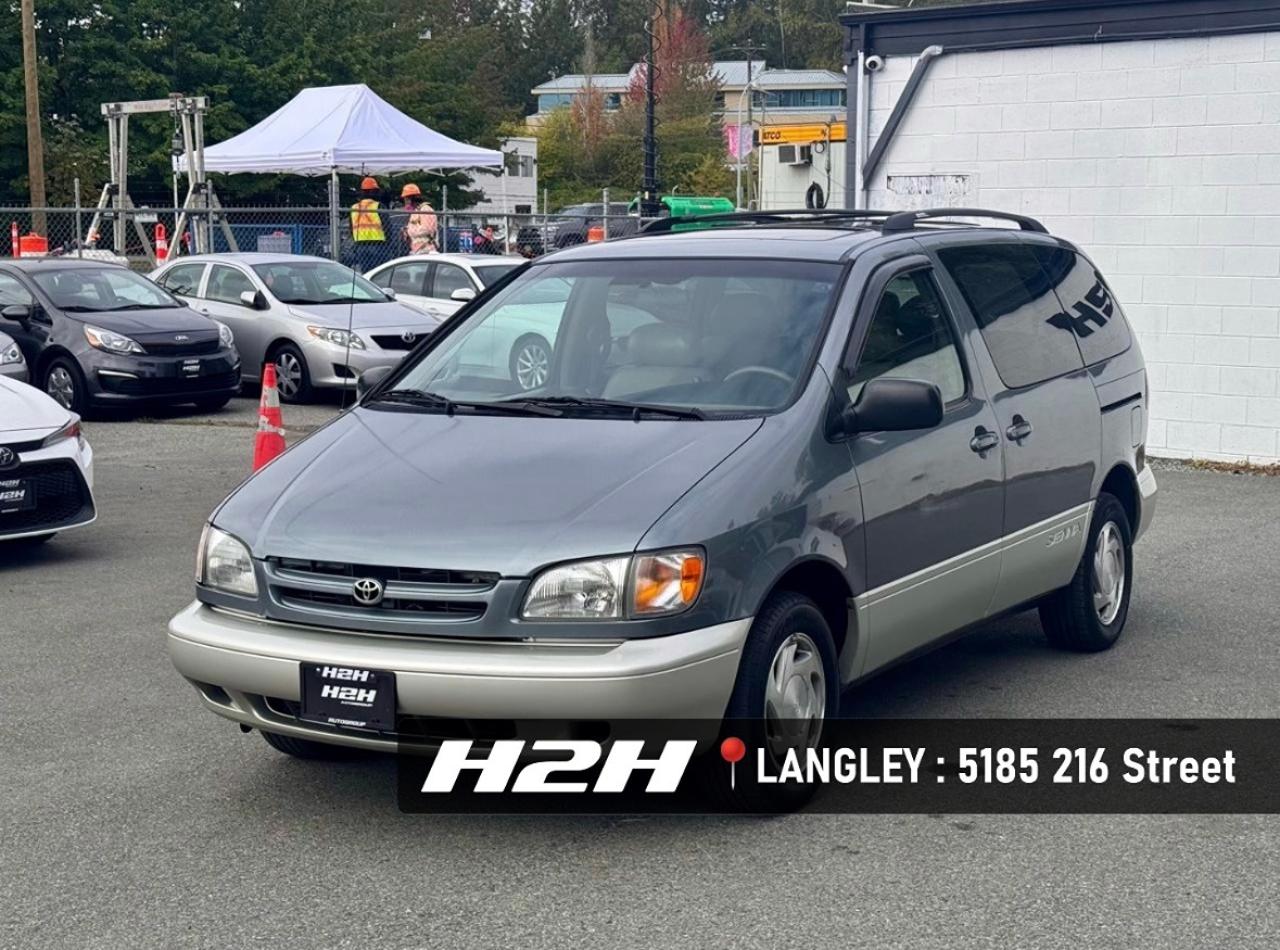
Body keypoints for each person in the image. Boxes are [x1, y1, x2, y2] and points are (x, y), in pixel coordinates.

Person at [349, 176, 387, 272]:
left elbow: (351, 228)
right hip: (378, 244)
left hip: (360, 244)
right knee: (379, 272)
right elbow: (387, 226)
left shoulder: (354, 207)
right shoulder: (378, 206)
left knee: (366, 273)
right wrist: (389, 244)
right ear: (374, 192)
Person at [400, 183, 438, 255]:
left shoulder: (425, 209)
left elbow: (427, 229)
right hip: (417, 249)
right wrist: (406, 230)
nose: (405, 202)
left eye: (406, 199)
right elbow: (415, 225)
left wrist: (409, 231)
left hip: (426, 249)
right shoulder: (416, 211)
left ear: (412, 198)